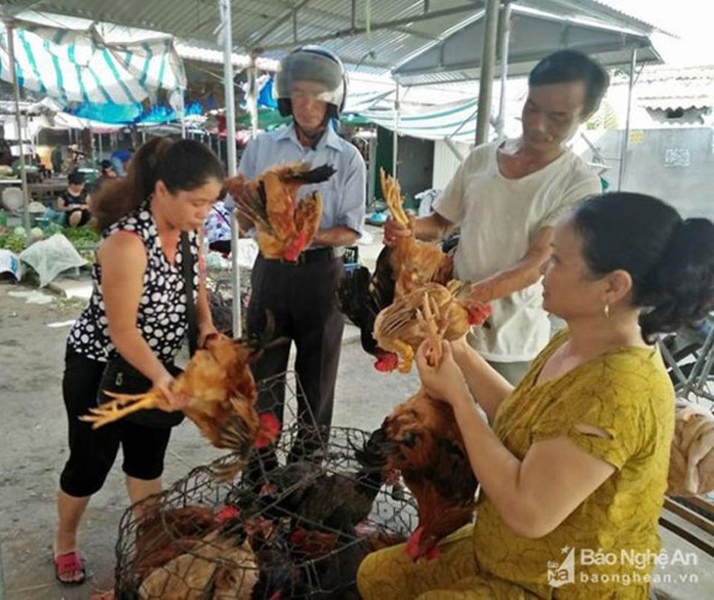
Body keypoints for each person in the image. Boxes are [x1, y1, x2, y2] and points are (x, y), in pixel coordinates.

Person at [358, 192, 714, 599]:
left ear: (613, 285)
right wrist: (459, 351)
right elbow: (523, 416)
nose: (543, 268)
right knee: (377, 575)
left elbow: (529, 512)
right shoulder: (576, 340)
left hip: (557, 582)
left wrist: (459, 400)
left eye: (558, 260)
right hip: (504, 550)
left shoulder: (618, 390)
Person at [53, 137, 222, 584]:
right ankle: (65, 542)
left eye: (210, 204)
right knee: (89, 463)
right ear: (162, 190)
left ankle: (150, 543)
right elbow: (122, 331)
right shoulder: (127, 243)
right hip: (101, 368)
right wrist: (163, 380)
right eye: (197, 202)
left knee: (147, 462)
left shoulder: (190, 235)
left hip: (155, 367)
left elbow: (196, 292)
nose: (204, 212)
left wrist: (205, 328)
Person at [384, 49, 610, 384]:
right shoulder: (482, 159)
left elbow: (537, 262)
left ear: (586, 114)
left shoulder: (578, 183)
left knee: (500, 431)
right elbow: (441, 222)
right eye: (532, 108)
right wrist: (407, 228)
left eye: (558, 117)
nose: (538, 125)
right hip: (449, 331)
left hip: (512, 342)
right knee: (438, 425)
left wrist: (461, 299)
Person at [232, 45, 366, 463]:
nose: (308, 104)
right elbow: (245, 220)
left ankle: (306, 470)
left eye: (317, 93)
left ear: (333, 98)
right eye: (299, 93)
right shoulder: (262, 147)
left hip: (321, 277)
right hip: (270, 273)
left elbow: (351, 229)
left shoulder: (348, 158)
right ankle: (260, 473)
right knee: (264, 375)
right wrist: (246, 209)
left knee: (317, 376)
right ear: (287, 97)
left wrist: (304, 235)